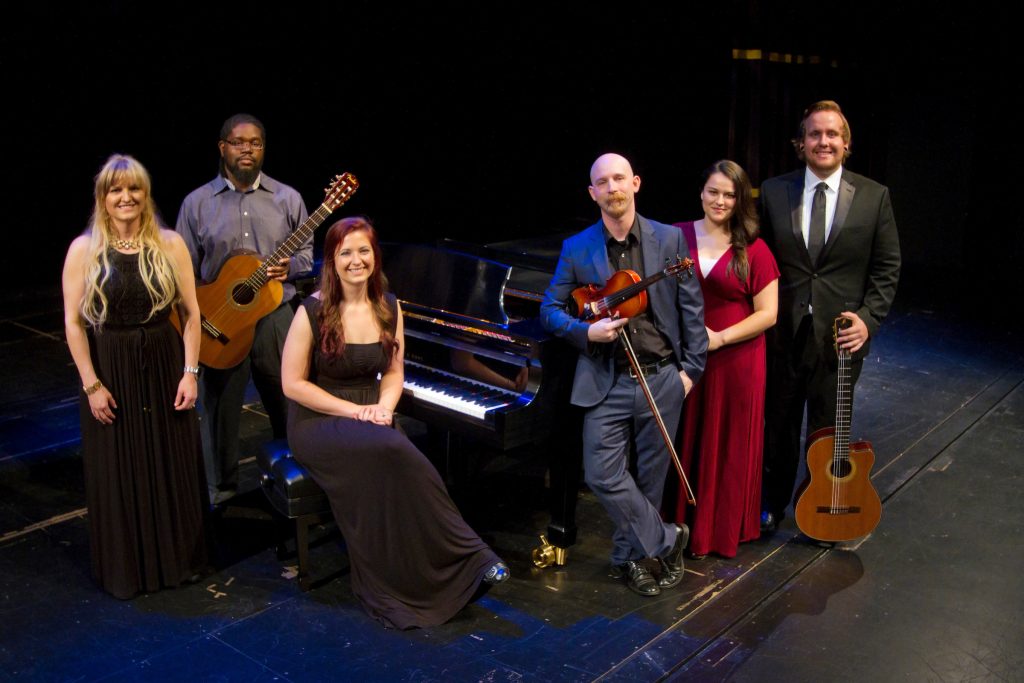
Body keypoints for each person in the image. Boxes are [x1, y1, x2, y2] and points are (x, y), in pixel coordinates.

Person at [280, 217, 509, 629]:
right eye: (345, 252)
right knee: (395, 448)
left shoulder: (389, 305)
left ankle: (442, 572)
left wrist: (384, 407)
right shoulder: (311, 310)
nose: (356, 260)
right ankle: (470, 552)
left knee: (395, 457)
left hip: (371, 415)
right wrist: (360, 413)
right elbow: (293, 385)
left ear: (374, 255)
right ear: (332, 260)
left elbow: (395, 372)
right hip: (318, 420)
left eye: (363, 250)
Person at [540, 153, 707, 596]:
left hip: (661, 377)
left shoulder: (669, 240)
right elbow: (549, 311)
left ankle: (629, 560)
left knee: (650, 479)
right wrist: (586, 331)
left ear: (635, 183)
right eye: (602, 182)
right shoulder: (577, 247)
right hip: (605, 378)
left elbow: (692, 308)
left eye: (619, 178)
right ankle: (669, 540)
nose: (612, 187)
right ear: (592, 193)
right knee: (601, 474)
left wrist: (690, 371)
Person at [62, 154, 208, 599]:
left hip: (163, 364)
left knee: (169, 462)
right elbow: (72, 322)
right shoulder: (83, 249)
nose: (126, 198)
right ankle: (130, 570)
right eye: (115, 190)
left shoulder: (168, 243)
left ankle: (177, 563)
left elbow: (191, 313)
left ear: (145, 195)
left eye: (134, 189)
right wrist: (91, 384)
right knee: (119, 467)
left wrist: (190, 373)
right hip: (111, 366)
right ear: (103, 198)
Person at [760, 101, 901, 531]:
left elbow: (887, 266)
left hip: (839, 339)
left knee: (826, 429)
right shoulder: (772, 191)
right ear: (800, 144)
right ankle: (772, 504)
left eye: (832, 134)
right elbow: (758, 261)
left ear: (846, 144)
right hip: (782, 333)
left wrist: (868, 318)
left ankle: (819, 504)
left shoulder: (875, 196)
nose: (824, 141)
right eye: (815, 134)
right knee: (778, 426)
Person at [176, 113, 312, 505]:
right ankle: (221, 493)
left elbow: (306, 254)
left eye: (256, 142)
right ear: (223, 148)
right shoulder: (197, 203)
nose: (247, 149)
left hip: (276, 314)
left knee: (290, 400)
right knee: (219, 411)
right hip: (223, 321)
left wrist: (294, 266)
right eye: (239, 142)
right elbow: (184, 266)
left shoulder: (288, 198)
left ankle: (298, 481)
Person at [669, 160, 779, 558]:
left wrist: (719, 339)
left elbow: (769, 313)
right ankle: (680, 526)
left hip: (736, 359)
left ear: (739, 200)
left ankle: (718, 530)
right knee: (686, 438)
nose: (720, 201)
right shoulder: (676, 236)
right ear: (701, 193)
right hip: (685, 356)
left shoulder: (755, 247)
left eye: (729, 195)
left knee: (728, 441)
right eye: (713, 191)